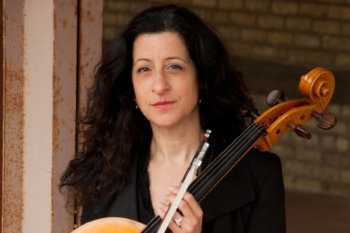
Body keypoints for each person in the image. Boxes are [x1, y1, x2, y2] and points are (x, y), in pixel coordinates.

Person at [60, 4, 285, 233]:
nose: (159, 86)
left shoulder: (258, 174)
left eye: (174, 66)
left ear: (202, 77)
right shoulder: (105, 170)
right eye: (144, 69)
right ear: (131, 87)